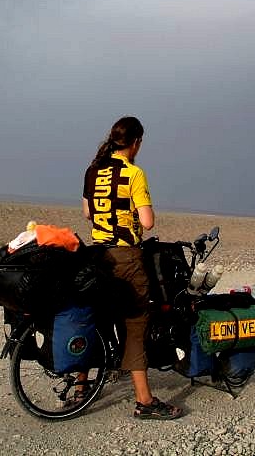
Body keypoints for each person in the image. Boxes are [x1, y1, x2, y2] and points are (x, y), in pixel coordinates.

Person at [81, 116, 183, 420]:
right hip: (126, 256)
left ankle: (81, 386)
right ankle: (144, 400)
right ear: (136, 142)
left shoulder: (93, 170)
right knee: (135, 323)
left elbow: (87, 213)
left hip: (97, 256)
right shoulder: (134, 173)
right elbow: (148, 221)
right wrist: (134, 219)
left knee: (95, 320)